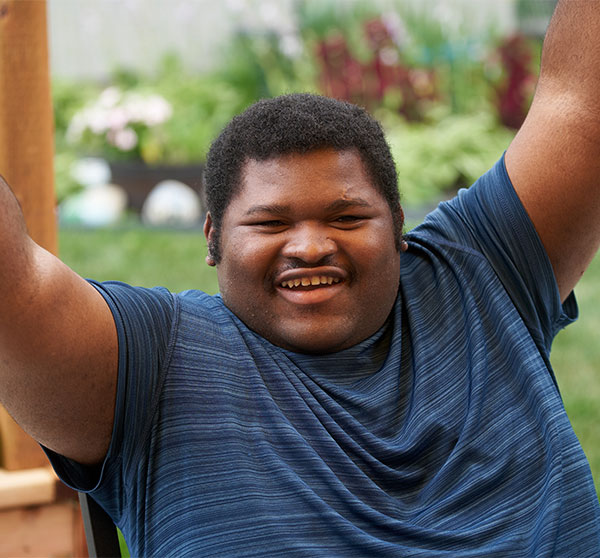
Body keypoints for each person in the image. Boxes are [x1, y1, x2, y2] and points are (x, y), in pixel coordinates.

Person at [1, 1, 600, 556]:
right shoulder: (147, 366)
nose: (311, 246)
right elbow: (13, 292)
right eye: (269, 222)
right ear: (212, 239)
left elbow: (583, 103)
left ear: (397, 224)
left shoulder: (481, 271)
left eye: (347, 217)